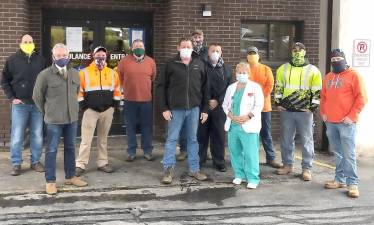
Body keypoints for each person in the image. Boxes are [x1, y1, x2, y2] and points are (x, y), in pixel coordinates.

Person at [33, 43, 87, 195]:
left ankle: (70, 176)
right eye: (58, 56)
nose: (62, 58)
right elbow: (37, 97)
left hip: (71, 118)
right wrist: (47, 111)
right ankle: (50, 181)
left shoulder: (75, 73)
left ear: (68, 56)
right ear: (53, 57)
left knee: (70, 148)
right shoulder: (44, 75)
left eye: (64, 55)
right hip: (53, 120)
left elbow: (77, 92)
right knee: (51, 150)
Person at [158, 37, 209, 184]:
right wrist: (164, 108)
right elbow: (161, 87)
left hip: (194, 109)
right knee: (172, 139)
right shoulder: (170, 64)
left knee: (193, 139)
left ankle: (194, 169)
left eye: (189, 46)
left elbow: (206, 89)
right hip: (175, 109)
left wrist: (205, 109)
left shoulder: (199, 64)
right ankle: (168, 170)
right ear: (178, 48)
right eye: (183, 46)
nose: (186, 48)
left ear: (192, 48)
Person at [321, 49, 367, 198]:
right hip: (331, 123)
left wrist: (352, 116)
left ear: (345, 60)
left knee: (349, 154)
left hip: (346, 123)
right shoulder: (328, 77)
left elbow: (362, 98)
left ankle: (352, 184)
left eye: (339, 59)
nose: (336, 61)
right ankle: (339, 180)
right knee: (338, 154)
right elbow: (323, 98)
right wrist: (324, 113)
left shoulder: (354, 75)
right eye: (333, 60)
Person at [274, 42, 322, 181]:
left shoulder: (313, 70)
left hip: (305, 112)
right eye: (294, 49)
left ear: (305, 52)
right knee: (286, 139)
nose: (297, 52)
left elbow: (317, 90)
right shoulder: (283, 68)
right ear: (291, 51)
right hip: (287, 111)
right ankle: (287, 165)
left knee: (307, 140)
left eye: (300, 50)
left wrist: (313, 108)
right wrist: (277, 103)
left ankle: (307, 169)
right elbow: (279, 87)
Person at [1, 34, 45, 176]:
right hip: (20, 105)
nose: (28, 43)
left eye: (30, 41)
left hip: (37, 105)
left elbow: (46, 81)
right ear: (20, 43)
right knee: (17, 136)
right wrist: (12, 97)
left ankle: (35, 162)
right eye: (25, 41)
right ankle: (16, 163)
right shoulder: (12, 60)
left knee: (37, 135)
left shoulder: (41, 60)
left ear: (33, 43)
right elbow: (4, 81)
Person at [75, 46, 121, 176]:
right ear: (93, 55)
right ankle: (80, 164)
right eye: (98, 54)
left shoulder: (113, 73)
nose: (100, 57)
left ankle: (102, 162)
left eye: (103, 55)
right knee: (86, 139)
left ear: (106, 57)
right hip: (90, 110)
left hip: (107, 110)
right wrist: (83, 106)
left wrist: (114, 106)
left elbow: (117, 90)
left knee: (103, 139)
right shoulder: (83, 72)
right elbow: (79, 92)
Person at [222, 62, 264, 189]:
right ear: (235, 73)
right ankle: (239, 175)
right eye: (239, 72)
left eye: (244, 72)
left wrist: (248, 116)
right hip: (233, 125)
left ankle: (253, 178)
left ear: (249, 73)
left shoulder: (255, 87)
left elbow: (259, 105)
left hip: (248, 125)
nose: (241, 74)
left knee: (251, 153)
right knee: (235, 152)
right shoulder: (231, 88)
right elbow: (225, 105)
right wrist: (230, 115)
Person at [117, 39, 157, 162]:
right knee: (130, 127)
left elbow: (153, 77)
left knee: (146, 127)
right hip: (130, 100)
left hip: (146, 100)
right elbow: (120, 78)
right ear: (131, 48)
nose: (138, 48)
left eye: (141, 46)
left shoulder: (151, 62)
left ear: (144, 48)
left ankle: (147, 151)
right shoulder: (124, 62)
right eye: (136, 46)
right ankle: (131, 152)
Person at [198, 43, 232, 172]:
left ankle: (219, 161)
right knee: (201, 135)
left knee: (219, 135)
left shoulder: (226, 69)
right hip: (203, 107)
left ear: (221, 53)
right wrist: (207, 103)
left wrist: (218, 101)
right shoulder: (201, 67)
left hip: (219, 108)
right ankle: (200, 160)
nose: (215, 53)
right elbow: (198, 87)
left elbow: (229, 88)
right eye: (213, 50)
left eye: (218, 51)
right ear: (208, 52)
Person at [246, 46, 282, 168]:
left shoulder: (266, 69)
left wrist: (259, 98)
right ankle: (250, 158)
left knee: (265, 133)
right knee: (250, 134)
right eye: (250, 53)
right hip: (248, 108)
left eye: (254, 53)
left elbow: (270, 84)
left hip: (264, 108)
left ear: (258, 55)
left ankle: (270, 158)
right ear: (247, 56)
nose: (252, 56)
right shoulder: (244, 69)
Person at [176, 29, 209, 161]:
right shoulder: (187, 52)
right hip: (185, 96)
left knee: (201, 126)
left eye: (199, 36)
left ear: (203, 37)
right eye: (195, 37)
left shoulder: (207, 52)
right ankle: (184, 150)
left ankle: (202, 151)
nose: (197, 39)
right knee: (185, 126)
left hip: (199, 93)